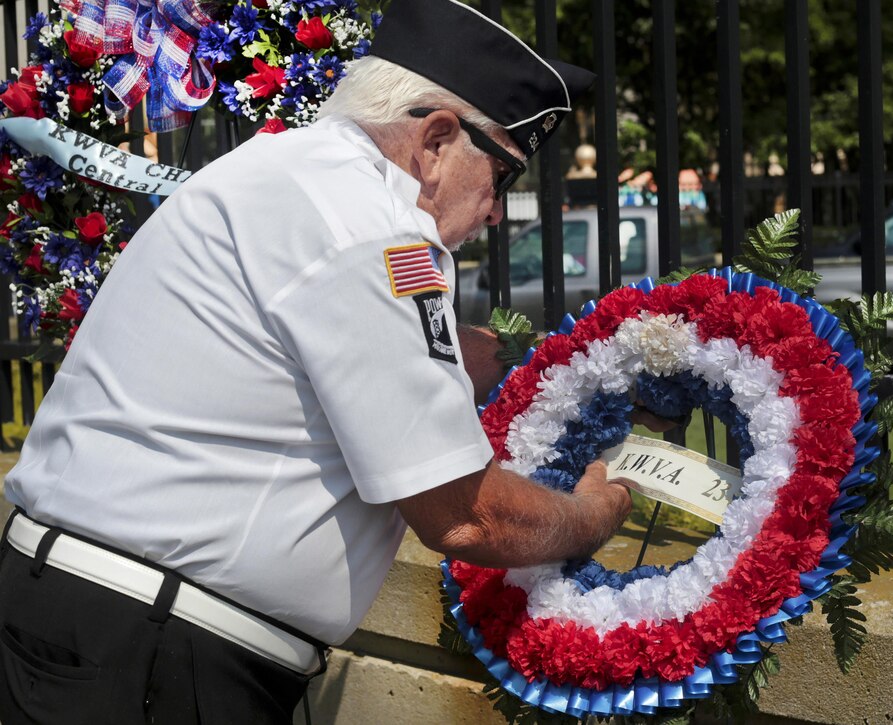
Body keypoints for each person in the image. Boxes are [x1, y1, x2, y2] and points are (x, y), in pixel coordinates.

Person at [0, 1, 635, 722]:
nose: (495, 212)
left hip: (70, 608)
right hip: (155, 651)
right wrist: (587, 518)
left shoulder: (279, 168)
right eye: (504, 175)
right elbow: (466, 515)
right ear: (435, 139)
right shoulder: (381, 230)